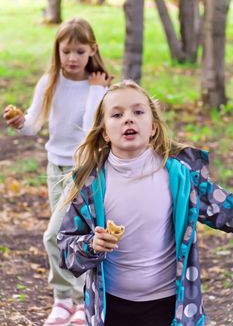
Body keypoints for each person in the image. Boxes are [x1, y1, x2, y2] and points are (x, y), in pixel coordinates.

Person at [57, 80, 233, 326]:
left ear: (153, 127)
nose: (128, 119)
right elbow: (65, 251)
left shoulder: (181, 177)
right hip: (111, 308)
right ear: (105, 131)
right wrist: (92, 244)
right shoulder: (90, 185)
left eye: (138, 112)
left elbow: (227, 211)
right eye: (117, 114)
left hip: (169, 306)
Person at [3, 17, 112, 326]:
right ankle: (65, 302)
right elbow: (34, 125)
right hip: (56, 167)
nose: (72, 58)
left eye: (79, 51)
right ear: (58, 51)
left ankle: (75, 298)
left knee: (54, 233)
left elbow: (93, 128)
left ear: (92, 50)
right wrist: (20, 123)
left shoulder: (100, 86)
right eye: (66, 52)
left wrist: (96, 92)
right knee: (65, 235)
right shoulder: (49, 81)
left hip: (84, 168)